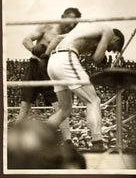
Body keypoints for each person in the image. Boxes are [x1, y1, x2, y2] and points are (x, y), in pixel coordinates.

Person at [45, 22, 124, 152]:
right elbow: (97, 59)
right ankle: (97, 142)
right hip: (66, 57)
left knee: (65, 110)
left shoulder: (86, 31)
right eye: (113, 48)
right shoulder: (108, 31)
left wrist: (45, 56)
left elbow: (57, 39)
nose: (110, 51)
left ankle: (40, 139)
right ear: (116, 39)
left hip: (53, 62)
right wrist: (101, 54)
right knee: (94, 100)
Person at [16, 8, 82, 144]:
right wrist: (34, 49)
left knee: (61, 107)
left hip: (50, 70)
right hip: (34, 67)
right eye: (70, 22)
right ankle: (11, 142)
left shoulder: (69, 37)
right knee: (24, 108)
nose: (71, 26)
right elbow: (26, 40)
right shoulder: (46, 27)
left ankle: (68, 142)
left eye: (74, 24)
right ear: (62, 17)